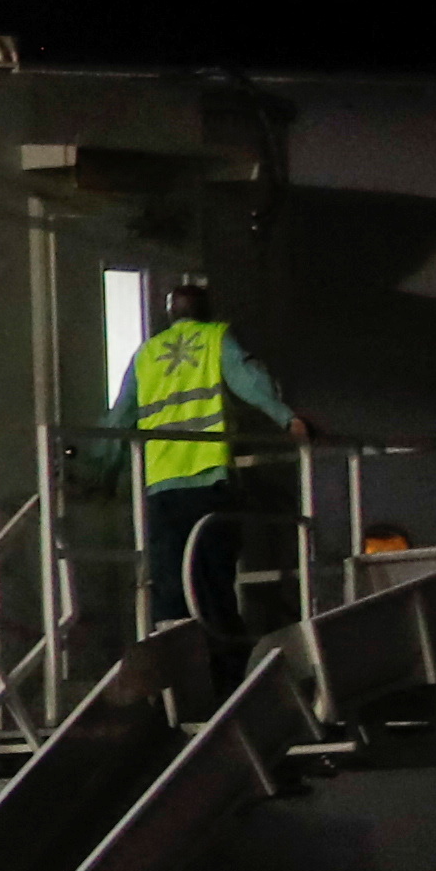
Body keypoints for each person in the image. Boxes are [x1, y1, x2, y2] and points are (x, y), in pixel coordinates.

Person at [128, 272, 304, 641]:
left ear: (169, 315)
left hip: (161, 485)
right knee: (212, 583)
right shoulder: (215, 338)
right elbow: (252, 384)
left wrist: (96, 471)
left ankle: (173, 680)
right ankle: (225, 672)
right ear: (206, 311)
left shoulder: (145, 354)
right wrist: (289, 418)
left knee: (170, 585)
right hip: (208, 479)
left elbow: (119, 418)